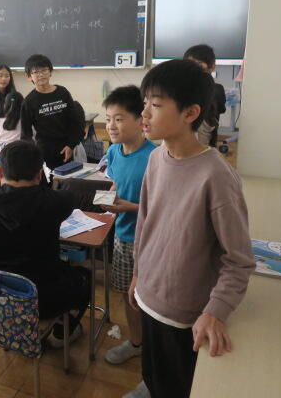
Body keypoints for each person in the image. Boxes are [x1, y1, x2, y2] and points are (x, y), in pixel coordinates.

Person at [124, 59, 255, 398]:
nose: (144, 114)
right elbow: (146, 222)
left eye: (155, 105)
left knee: (177, 385)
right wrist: (138, 274)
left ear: (190, 113)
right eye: (144, 103)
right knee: (153, 372)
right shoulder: (156, 158)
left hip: (184, 313)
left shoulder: (216, 176)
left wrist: (216, 311)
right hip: (148, 295)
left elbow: (239, 260)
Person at [0, 140, 91, 346]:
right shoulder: (53, 201)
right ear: (39, 175)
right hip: (45, 299)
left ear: (0, 172)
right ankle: (62, 334)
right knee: (85, 277)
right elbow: (69, 196)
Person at [96, 85, 156, 366]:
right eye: (108, 119)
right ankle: (136, 342)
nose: (111, 126)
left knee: (150, 298)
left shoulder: (155, 157)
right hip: (122, 236)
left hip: (149, 241)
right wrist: (109, 198)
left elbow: (165, 209)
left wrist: (128, 207)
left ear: (140, 119)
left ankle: (155, 348)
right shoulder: (114, 152)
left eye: (119, 119)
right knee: (127, 294)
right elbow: (115, 183)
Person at [20, 54, 85, 170]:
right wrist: (31, 155)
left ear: (50, 72)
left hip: (65, 148)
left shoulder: (62, 93)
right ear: (29, 76)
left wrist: (71, 145)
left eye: (44, 70)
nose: (41, 75)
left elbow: (75, 121)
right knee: (46, 180)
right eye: (36, 72)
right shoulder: (28, 101)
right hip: (44, 151)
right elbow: (26, 134)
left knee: (66, 179)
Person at [183, 44, 227, 147]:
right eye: (190, 65)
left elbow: (219, 108)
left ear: (212, 67)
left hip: (202, 142)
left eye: (199, 65)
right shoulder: (181, 88)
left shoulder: (216, 89)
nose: (194, 70)